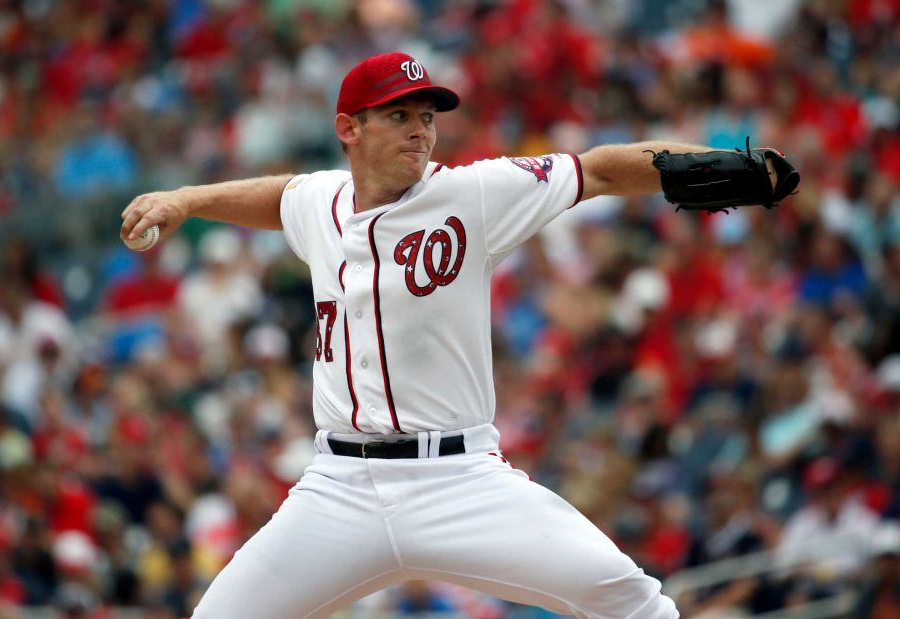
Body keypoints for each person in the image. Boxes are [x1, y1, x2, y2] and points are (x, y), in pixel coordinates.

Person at [120, 52, 796, 619]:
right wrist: (188, 199)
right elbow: (278, 197)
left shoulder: (474, 194)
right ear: (347, 128)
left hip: (459, 479)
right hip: (338, 487)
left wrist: (708, 163)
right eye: (398, 115)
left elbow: (598, 169)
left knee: (629, 598)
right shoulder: (317, 201)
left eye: (425, 116)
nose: (420, 130)